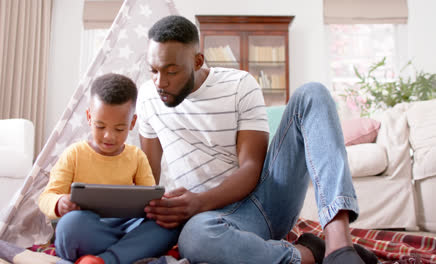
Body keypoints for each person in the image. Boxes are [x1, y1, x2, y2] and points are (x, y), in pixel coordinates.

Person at [138, 15, 376, 263]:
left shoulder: (239, 85)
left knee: (312, 93)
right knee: (195, 239)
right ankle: (311, 253)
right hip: (211, 221)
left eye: (172, 71)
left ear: (198, 61)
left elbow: (251, 169)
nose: (160, 82)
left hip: (262, 203)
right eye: (153, 70)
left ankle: (339, 247)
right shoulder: (146, 98)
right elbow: (147, 176)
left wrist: (197, 202)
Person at [38, 73, 180, 264]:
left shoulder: (136, 156)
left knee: (168, 224)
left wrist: (160, 206)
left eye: (119, 129)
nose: (108, 136)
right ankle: (125, 253)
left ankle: (105, 259)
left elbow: (150, 200)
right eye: (100, 126)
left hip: (126, 227)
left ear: (132, 123)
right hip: (89, 229)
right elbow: (46, 197)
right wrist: (59, 202)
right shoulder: (74, 154)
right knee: (70, 225)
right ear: (89, 117)